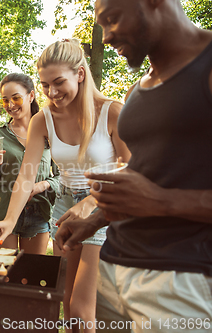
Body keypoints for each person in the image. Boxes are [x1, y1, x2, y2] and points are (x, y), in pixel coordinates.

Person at [55, 1, 212, 332]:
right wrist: (95, 219)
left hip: (179, 280)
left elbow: (155, 195)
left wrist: (162, 202)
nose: (107, 36)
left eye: (112, 19)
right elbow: (149, 176)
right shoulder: (139, 89)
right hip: (113, 271)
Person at [0, 41, 130, 332]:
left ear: (81, 74)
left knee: (81, 309)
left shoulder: (112, 112)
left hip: (103, 206)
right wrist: (9, 220)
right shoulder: (43, 119)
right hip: (64, 207)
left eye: (59, 82)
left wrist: (92, 201)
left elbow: (131, 167)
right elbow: (27, 174)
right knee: (66, 301)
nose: (52, 92)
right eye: (46, 84)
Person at [0, 73, 59, 255]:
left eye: (16, 98)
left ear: (31, 96)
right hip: (3, 211)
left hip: (38, 214)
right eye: (5, 100)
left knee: (30, 275)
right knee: (5, 274)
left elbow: (62, 176)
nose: (10, 105)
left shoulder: (51, 133)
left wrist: (41, 185)